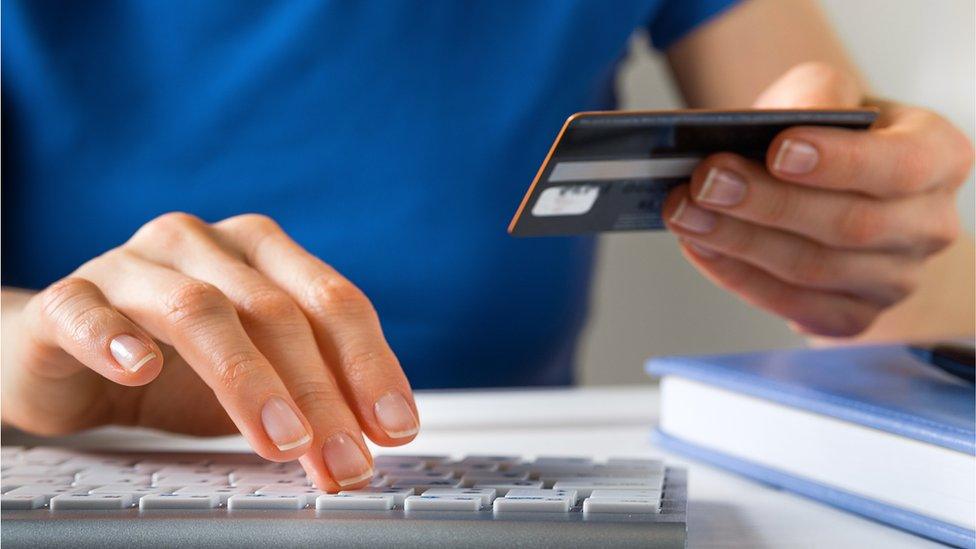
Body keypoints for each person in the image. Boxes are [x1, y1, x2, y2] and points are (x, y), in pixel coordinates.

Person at [2, 0, 973, 491]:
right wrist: (24, 357)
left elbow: (904, 288)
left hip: (523, 491)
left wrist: (870, 240)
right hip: (80, 465)